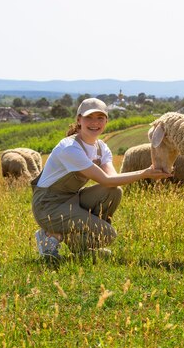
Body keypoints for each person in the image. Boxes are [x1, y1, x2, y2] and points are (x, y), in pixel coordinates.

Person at [31, 97, 171, 259]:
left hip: (71, 200)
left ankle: (80, 245)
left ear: (106, 121)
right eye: (88, 117)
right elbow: (105, 179)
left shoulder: (101, 148)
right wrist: (145, 173)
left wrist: (152, 170)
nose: (94, 123)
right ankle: (51, 237)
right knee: (108, 234)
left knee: (114, 192)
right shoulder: (69, 148)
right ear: (79, 120)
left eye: (100, 118)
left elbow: (112, 179)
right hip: (48, 206)